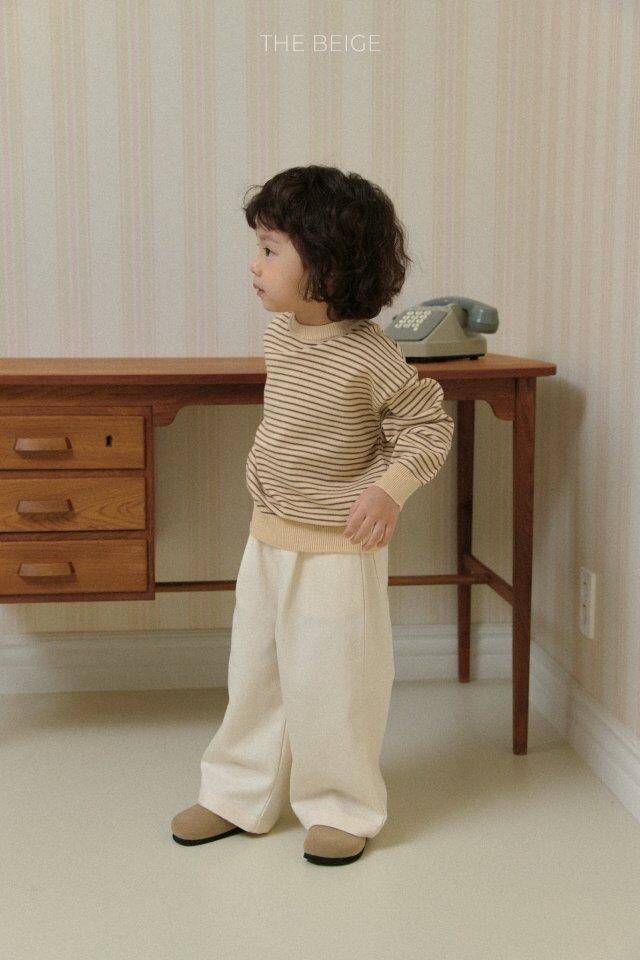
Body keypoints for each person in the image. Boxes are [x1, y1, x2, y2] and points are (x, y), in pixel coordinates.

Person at [171, 165, 454, 866]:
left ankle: (341, 805)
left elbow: (426, 426)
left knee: (334, 682)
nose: (254, 264)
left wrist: (389, 490)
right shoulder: (282, 337)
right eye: (258, 247)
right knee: (255, 672)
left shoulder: (370, 354)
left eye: (270, 249)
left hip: (338, 545)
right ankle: (239, 793)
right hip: (269, 534)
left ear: (326, 264)